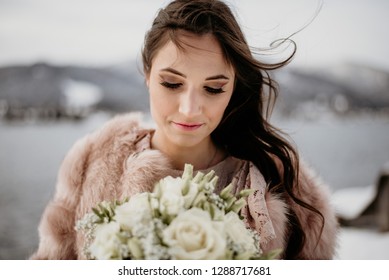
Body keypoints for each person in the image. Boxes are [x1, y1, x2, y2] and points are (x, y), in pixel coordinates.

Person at [30, 0, 338, 260]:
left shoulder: (285, 185)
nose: (190, 109)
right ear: (148, 75)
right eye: (172, 83)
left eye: (214, 88)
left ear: (234, 89)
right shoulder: (92, 163)